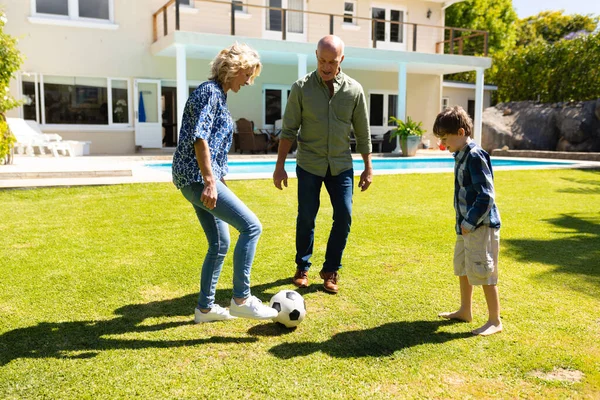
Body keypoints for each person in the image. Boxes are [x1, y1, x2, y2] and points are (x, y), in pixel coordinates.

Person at [172, 43, 278, 323]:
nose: (248, 82)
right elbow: (200, 137)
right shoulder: (210, 93)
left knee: (220, 242)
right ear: (236, 69)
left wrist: (219, 180)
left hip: (194, 179)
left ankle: (204, 309)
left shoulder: (217, 94)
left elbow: (214, 145)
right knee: (252, 226)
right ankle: (242, 299)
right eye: (247, 76)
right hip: (196, 178)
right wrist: (209, 182)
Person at [272, 35, 373, 294]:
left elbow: (362, 132)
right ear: (316, 56)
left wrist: (368, 166)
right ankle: (302, 267)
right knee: (306, 215)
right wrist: (279, 165)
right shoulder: (301, 88)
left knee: (345, 216)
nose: (326, 67)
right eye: (322, 61)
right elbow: (289, 130)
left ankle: (330, 270)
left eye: (332, 61)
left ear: (342, 60)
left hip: (341, 165)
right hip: (309, 163)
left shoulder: (354, 90)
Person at [433, 106, 502, 336]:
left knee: (483, 270)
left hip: (479, 226)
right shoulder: (460, 154)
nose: (443, 145)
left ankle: (494, 320)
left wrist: (470, 222)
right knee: (463, 266)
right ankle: (465, 310)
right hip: (465, 227)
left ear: (461, 132)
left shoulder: (474, 155)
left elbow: (486, 195)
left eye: (445, 139)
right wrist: (463, 224)